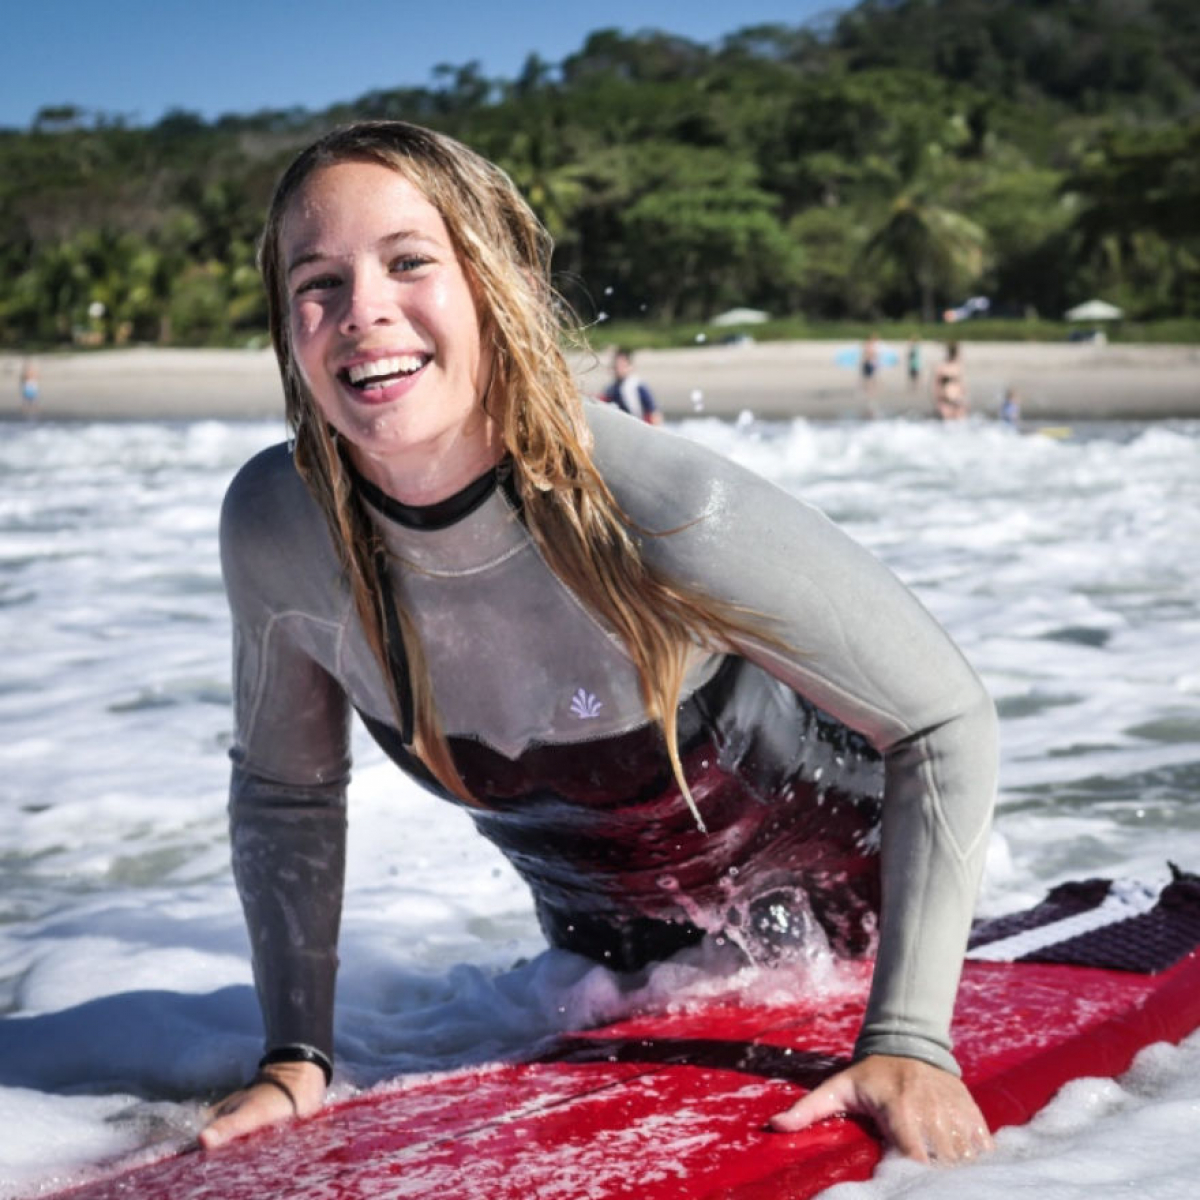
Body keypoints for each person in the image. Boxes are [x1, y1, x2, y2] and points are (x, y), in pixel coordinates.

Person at [200, 121, 998, 1168]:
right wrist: (296, 1056)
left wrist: (907, 1038)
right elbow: (287, 796)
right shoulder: (281, 527)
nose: (364, 312)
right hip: (602, 978)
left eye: (408, 262)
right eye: (318, 280)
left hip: (854, 942)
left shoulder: (654, 506)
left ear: (498, 283)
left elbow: (942, 719)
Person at [603, 347, 663, 425]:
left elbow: (654, 413)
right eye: (615, 366)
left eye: (622, 366)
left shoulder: (637, 386)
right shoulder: (612, 388)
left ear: (630, 367)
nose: (618, 369)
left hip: (640, 425)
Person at [932, 342, 968, 421]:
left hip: (957, 399)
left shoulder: (957, 367)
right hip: (946, 399)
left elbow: (962, 385)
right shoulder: (942, 367)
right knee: (948, 423)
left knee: (959, 424)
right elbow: (936, 385)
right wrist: (938, 400)